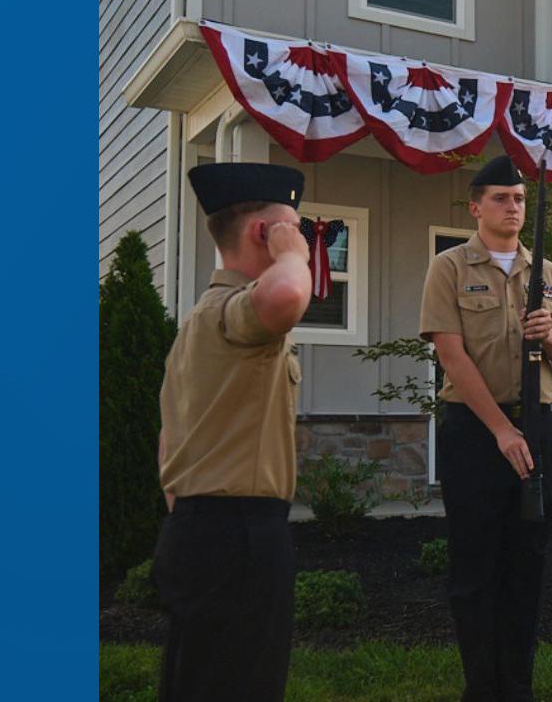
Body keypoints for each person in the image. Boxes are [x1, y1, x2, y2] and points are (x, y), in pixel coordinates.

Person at [419, 156, 552, 702]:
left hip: (537, 427)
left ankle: (517, 686)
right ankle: (480, 687)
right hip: (475, 430)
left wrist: (547, 336)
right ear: (475, 206)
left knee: (526, 563)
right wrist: (498, 430)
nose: (513, 207)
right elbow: (451, 355)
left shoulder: (549, 274)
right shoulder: (450, 267)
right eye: (501, 198)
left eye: (518, 198)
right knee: (474, 564)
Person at [153, 162, 314, 701]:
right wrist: (293, 253)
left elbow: (169, 437)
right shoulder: (233, 313)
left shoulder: (201, 320)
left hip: (202, 529)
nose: (305, 240)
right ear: (261, 234)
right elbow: (287, 297)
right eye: (293, 226)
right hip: (237, 536)